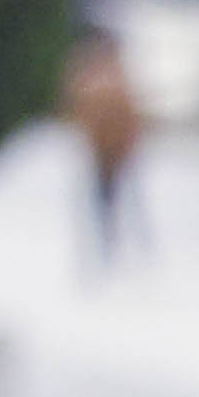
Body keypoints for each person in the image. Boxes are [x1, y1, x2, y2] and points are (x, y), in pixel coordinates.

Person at [61, 17, 154, 261]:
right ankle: (118, 247)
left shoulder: (100, 77)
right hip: (107, 147)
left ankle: (129, 248)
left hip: (113, 147)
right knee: (113, 198)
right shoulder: (105, 76)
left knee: (118, 199)